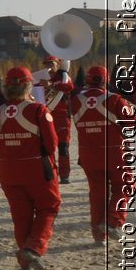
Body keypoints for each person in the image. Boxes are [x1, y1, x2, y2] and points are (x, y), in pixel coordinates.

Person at [0, 66, 61, 270]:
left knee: (21, 216)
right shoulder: (38, 110)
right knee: (49, 208)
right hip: (37, 168)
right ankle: (34, 248)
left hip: (9, 171)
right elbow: (52, 144)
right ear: (29, 86)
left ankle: (25, 261)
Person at [71, 65, 136, 243]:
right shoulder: (114, 99)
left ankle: (98, 235)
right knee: (124, 186)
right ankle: (112, 221)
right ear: (105, 80)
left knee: (97, 193)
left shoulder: (76, 101)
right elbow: (132, 122)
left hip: (88, 155)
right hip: (114, 152)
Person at [41, 56, 76, 184]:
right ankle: (51, 174)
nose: (48, 66)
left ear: (57, 65)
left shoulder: (64, 77)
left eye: (51, 64)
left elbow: (69, 86)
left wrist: (51, 85)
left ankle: (65, 175)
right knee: (47, 147)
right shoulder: (41, 79)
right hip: (47, 116)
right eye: (46, 64)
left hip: (62, 116)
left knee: (63, 146)